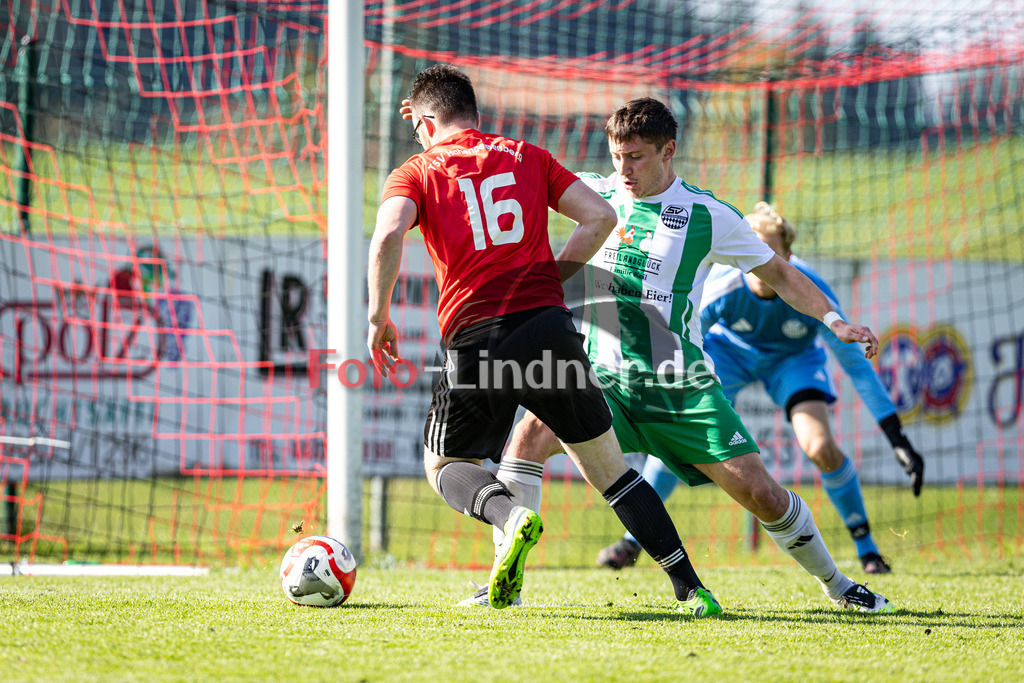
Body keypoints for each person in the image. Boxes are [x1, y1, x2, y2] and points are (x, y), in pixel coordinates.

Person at [466, 97, 893, 613]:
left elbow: (779, 274)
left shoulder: (708, 215)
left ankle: (839, 585)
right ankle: (503, 588)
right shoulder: (595, 193)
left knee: (762, 495)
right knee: (528, 436)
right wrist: (452, 133)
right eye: (617, 155)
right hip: (602, 378)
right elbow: (519, 171)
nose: (624, 169)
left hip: (679, 387)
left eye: (638, 156)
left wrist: (833, 320)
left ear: (669, 151)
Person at [370, 65, 722, 615]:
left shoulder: (417, 170)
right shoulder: (526, 155)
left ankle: (511, 517)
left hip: (477, 332)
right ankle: (691, 590)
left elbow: (390, 231)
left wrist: (377, 315)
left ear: (428, 120)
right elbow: (600, 217)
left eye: (418, 125)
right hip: (549, 329)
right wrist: (551, 278)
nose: (417, 135)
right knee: (611, 470)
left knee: (444, 467)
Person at [597, 202, 925, 574]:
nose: (760, 262)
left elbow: (857, 366)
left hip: (793, 361)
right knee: (676, 431)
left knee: (820, 447)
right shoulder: (725, 290)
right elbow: (680, 339)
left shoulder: (809, 289)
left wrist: (899, 440)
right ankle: (632, 542)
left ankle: (867, 550)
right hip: (729, 355)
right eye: (754, 251)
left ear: (787, 256)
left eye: (771, 253)